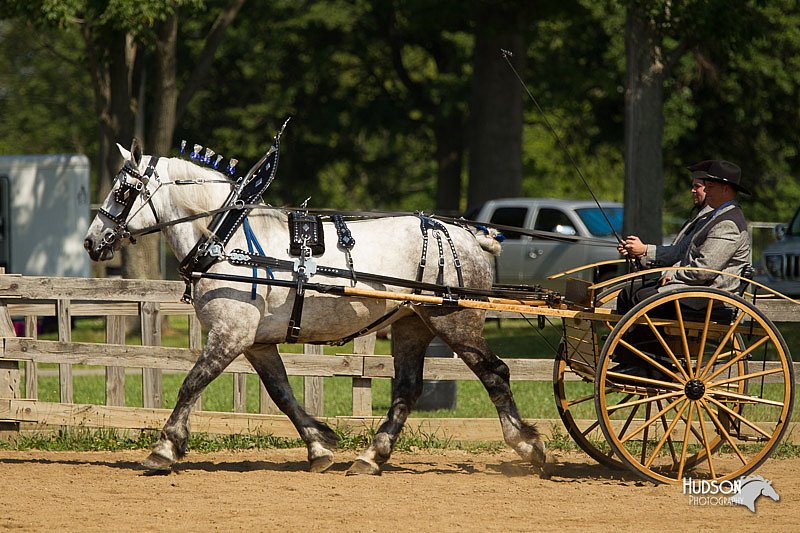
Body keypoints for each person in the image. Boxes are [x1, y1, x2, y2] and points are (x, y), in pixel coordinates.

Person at [615, 159, 751, 314]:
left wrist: (674, 273)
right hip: (697, 289)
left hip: (709, 296)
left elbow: (704, 270)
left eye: (711, 187)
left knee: (639, 298)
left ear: (725, 189)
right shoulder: (716, 216)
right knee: (630, 294)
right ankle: (632, 338)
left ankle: (638, 338)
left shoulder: (728, 223)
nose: (707, 191)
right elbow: (686, 254)